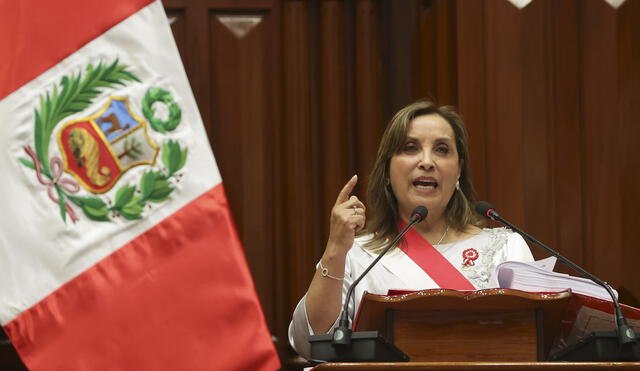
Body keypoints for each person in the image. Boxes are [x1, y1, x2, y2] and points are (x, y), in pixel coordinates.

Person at [288, 100, 534, 359]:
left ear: (459, 169)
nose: (427, 161)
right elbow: (310, 342)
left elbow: (535, 343)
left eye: (441, 149)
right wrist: (335, 250)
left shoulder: (506, 248)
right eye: (410, 148)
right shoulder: (357, 255)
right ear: (387, 169)